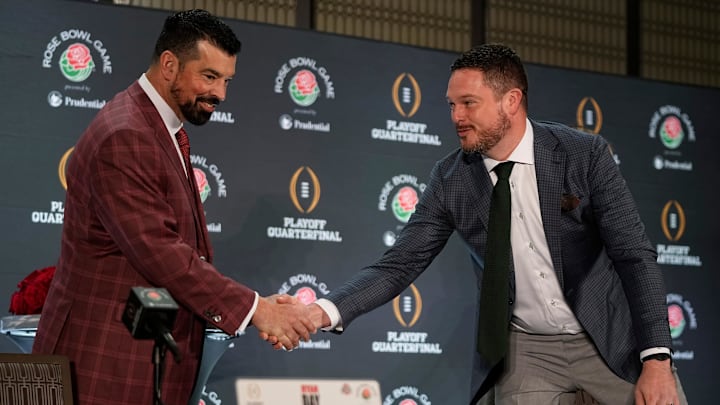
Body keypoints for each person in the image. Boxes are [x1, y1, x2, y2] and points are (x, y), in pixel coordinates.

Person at [270, 44, 687, 404]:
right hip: (528, 349)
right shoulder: (451, 179)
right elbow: (398, 265)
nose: (456, 116)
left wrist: (656, 359)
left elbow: (634, 256)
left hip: (608, 333)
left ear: (511, 101)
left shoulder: (584, 155)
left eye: (469, 103)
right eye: (451, 104)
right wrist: (321, 312)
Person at [32, 9, 315, 405]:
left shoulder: (153, 126)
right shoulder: (126, 134)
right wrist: (258, 310)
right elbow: (162, 253)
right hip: (103, 368)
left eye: (227, 80)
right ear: (169, 65)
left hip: (135, 364)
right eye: (209, 76)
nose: (220, 94)